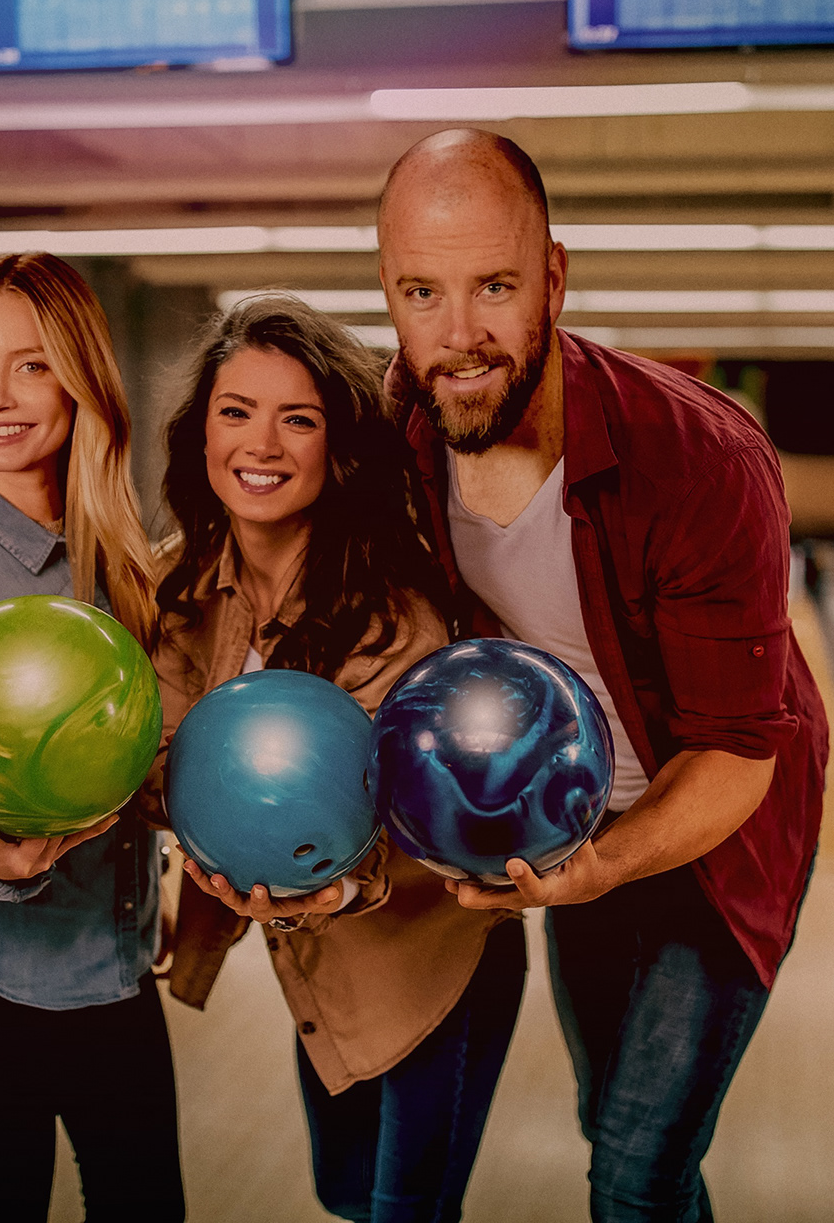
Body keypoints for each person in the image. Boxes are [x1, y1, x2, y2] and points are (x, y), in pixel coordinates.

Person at [376, 129, 830, 1222]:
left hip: (719, 829)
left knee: (632, 1171)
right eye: (420, 291)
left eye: (496, 285)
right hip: (568, 814)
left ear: (557, 280)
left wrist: (605, 864)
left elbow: (735, 749)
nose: (459, 333)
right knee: (614, 1127)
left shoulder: (698, 459)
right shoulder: (391, 426)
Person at [154, 294, 527, 1223]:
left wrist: (343, 885)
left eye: (299, 419)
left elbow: (400, 820)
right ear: (202, 434)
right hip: (319, 962)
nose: (261, 444)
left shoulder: (393, 614)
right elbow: (159, 762)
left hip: (432, 965)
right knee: (343, 1193)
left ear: (338, 446)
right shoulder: (178, 585)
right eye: (235, 412)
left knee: (403, 1211)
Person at [0, 252, 184, 1222]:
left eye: (30, 363)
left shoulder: (111, 551)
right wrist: (7, 856)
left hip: (110, 962)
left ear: (80, 378)